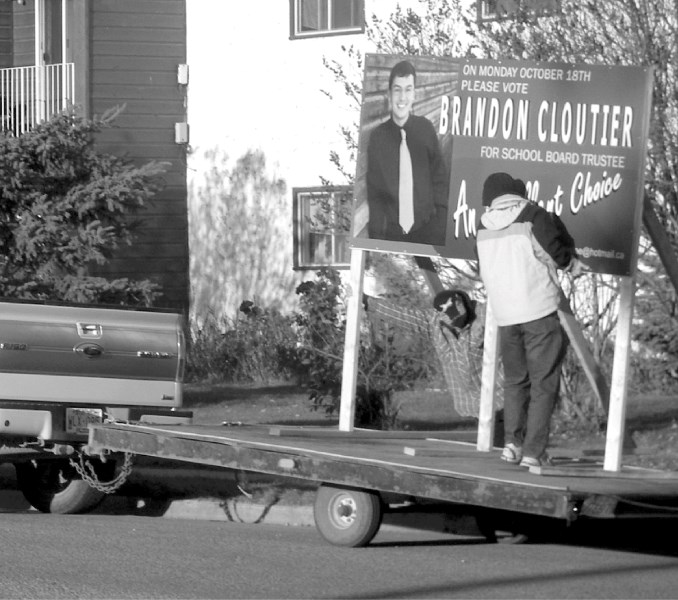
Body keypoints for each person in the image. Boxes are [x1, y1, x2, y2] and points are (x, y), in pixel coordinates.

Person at [475, 172, 583, 468]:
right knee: (543, 385)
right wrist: (572, 264)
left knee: (515, 382)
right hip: (538, 310)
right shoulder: (533, 216)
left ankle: (512, 444)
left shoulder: (482, 227)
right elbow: (554, 254)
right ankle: (534, 452)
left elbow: (482, 266)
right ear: (518, 194)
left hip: (505, 316)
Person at [364, 289, 504, 434]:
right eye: (451, 320)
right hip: (475, 408)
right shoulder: (434, 323)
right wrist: (365, 300)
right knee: (491, 450)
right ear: (440, 315)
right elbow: (401, 315)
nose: (456, 324)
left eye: (459, 318)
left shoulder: (485, 314)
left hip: (503, 400)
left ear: (465, 304)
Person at [366, 60, 448, 245]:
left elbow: (439, 178)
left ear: (414, 95)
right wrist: (377, 241)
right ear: (389, 94)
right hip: (394, 236)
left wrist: (441, 224)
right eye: (397, 89)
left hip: (429, 231)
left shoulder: (425, 129)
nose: (402, 97)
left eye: (408, 89)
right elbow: (375, 194)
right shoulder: (378, 138)